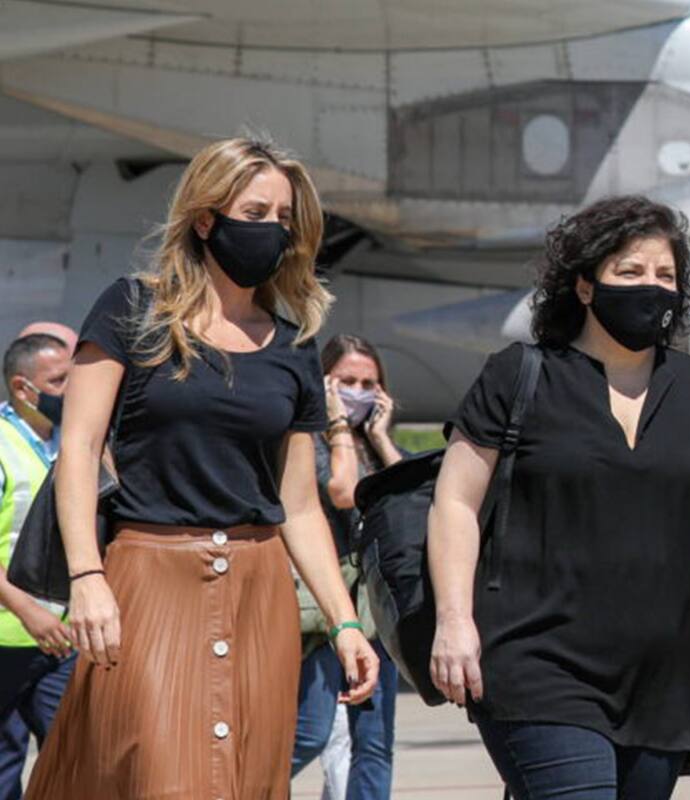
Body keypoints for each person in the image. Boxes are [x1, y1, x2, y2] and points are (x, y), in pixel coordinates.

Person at [25, 136, 380, 799]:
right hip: (148, 581)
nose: (272, 229)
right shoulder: (135, 309)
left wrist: (345, 622)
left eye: (284, 218)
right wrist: (86, 576)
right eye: (256, 211)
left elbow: (298, 505)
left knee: (245, 783)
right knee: (159, 777)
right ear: (206, 218)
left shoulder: (294, 347)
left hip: (259, 592)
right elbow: (78, 446)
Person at [428, 195, 690, 800]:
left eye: (666, 276)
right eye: (630, 273)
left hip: (662, 681)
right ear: (584, 286)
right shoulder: (520, 375)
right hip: (538, 660)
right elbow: (454, 502)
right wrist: (454, 621)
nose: (651, 289)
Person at [292, 334, 402, 799]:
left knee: (374, 744)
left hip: (377, 613)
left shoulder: (374, 446)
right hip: (327, 611)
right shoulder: (309, 442)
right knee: (310, 732)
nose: (359, 391)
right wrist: (336, 424)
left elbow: (410, 499)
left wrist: (379, 437)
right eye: (347, 381)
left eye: (369, 383)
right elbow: (342, 491)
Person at [0, 333, 74, 800]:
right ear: (23, 388)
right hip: (8, 636)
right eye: (60, 380)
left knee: (71, 759)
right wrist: (27, 610)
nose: (72, 389)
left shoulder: (72, 445)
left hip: (60, 639)